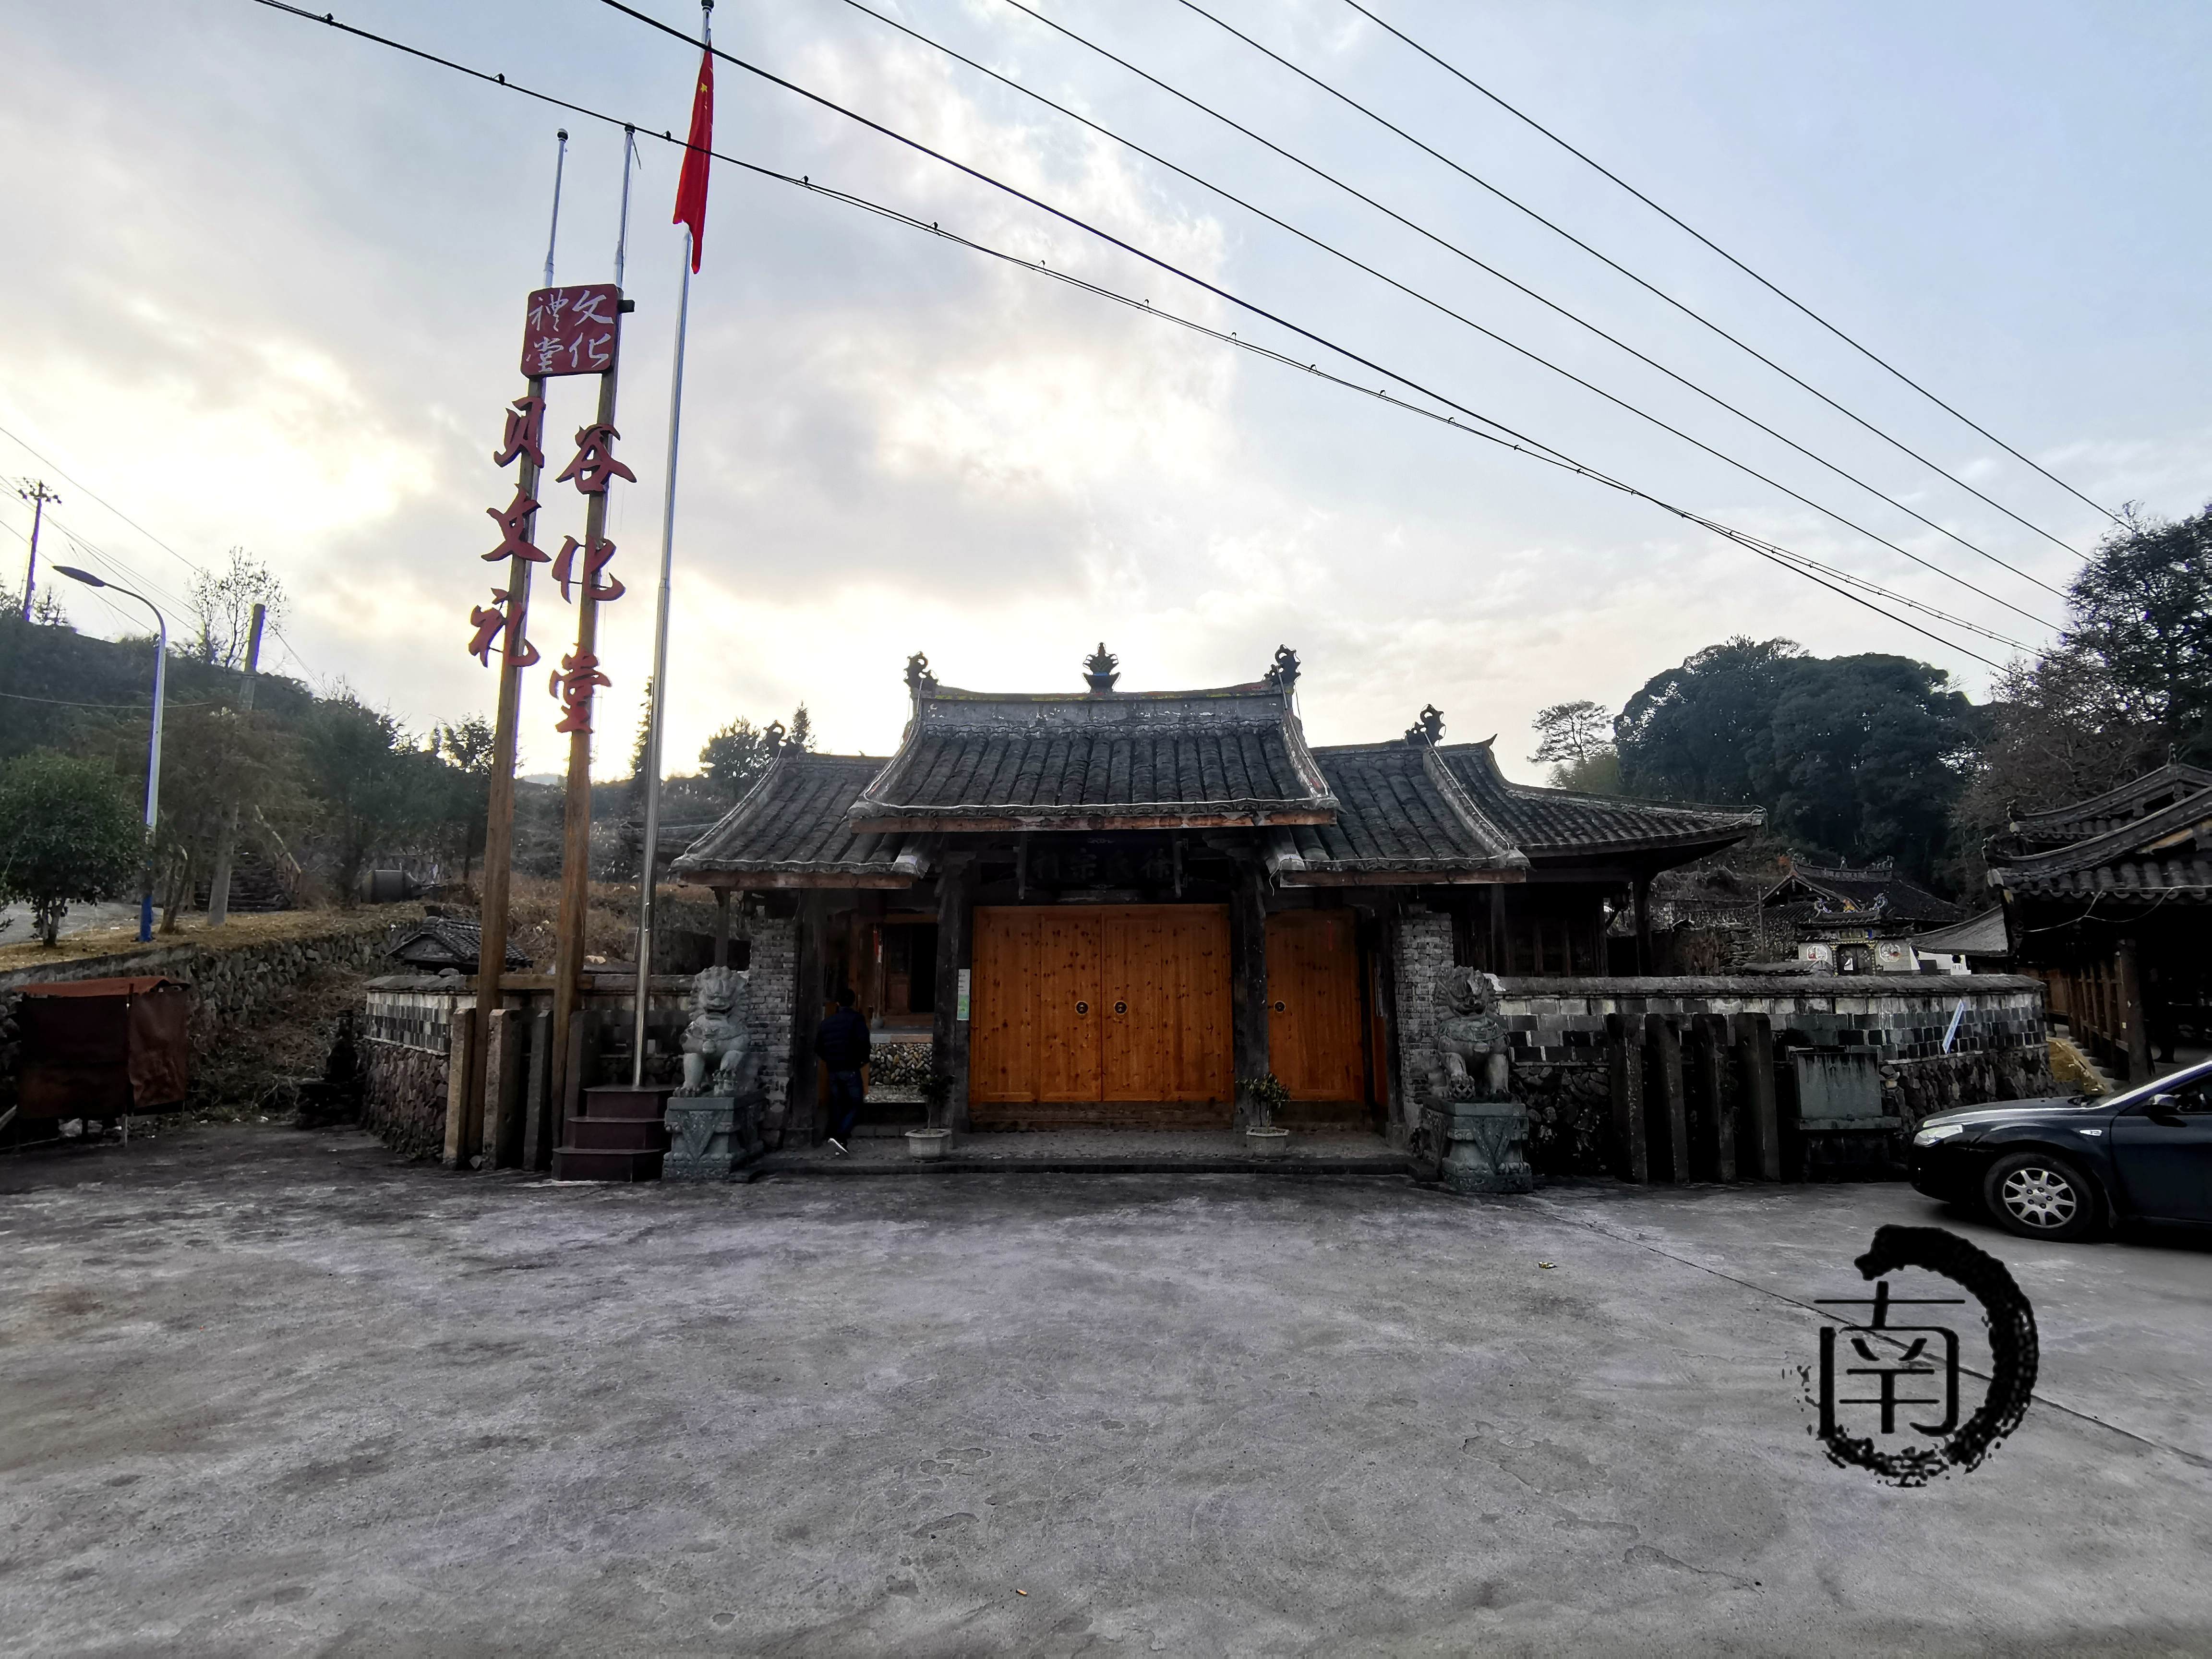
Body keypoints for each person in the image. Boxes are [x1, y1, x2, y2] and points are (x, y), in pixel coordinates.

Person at [814, 986, 872, 1154]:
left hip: (833, 1069)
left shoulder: (827, 1023)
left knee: (838, 1103)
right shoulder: (857, 1020)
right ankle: (840, 1136)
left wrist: (830, 1060)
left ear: (838, 1003)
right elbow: (864, 1043)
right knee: (856, 1103)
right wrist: (862, 1060)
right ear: (853, 1002)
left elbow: (818, 1047)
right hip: (851, 1068)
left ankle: (836, 1137)